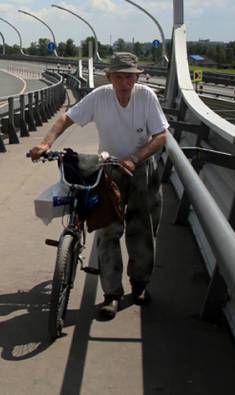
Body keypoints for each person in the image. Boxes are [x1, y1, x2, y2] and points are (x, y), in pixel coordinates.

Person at [28, 52, 169, 319]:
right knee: (107, 229)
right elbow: (65, 119)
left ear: (136, 77)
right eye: (119, 77)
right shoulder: (100, 96)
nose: (125, 82)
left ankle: (139, 286)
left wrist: (135, 158)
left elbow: (161, 136)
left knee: (141, 229)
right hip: (108, 169)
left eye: (129, 77)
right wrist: (45, 143)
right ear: (110, 77)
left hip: (141, 169)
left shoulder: (146, 97)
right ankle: (112, 294)